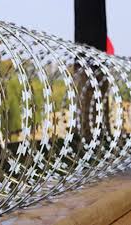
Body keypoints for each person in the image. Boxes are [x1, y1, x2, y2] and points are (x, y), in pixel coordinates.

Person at [74, 0, 109, 141]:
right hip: (84, 58)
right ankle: (87, 134)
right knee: (87, 98)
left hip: (99, 57)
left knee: (101, 97)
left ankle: (101, 131)